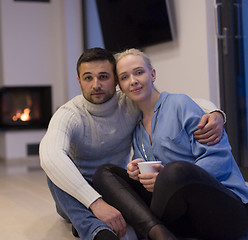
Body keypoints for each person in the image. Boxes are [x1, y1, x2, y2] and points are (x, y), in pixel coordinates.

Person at [39, 48, 225, 240]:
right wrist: (95, 203)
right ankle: (98, 231)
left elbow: (181, 102)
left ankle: (101, 222)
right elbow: (49, 154)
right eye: (88, 78)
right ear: (79, 81)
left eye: (103, 76)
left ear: (116, 81)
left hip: (112, 188)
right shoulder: (69, 114)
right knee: (54, 170)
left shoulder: (128, 101)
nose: (96, 85)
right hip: (75, 195)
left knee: (107, 174)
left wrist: (216, 113)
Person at [92, 48, 248, 240]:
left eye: (139, 72)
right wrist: (136, 172)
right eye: (124, 77)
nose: (133, 81)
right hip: (184, 217)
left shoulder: (180, 104)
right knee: (104, 173)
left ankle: (143, 228)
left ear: (153, 74)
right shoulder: (138, 128)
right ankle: (159, 233)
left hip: (226, 211)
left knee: (174, 172)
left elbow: (219, 159)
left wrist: (167, 181)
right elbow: (152, 172)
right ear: (120, 87)